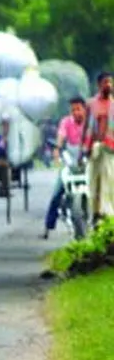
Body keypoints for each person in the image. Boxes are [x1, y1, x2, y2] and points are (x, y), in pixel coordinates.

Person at [43, 97, 87, 238]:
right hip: (71, 161)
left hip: (87, 160)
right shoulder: (66, 122)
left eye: (78, 109)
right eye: (73, 109)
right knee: (57, 193)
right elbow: (61, 137)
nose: (76, 112)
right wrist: (57, 150)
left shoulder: (90, 123)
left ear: (84, 109)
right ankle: (48, 225)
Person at [86, 72, 114, 223]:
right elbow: (87, 129)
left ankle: (108, 216)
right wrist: (84, 149)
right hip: (95, 150)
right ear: (99, 85)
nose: (108, 85)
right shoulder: (91, 104)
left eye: (110, 82)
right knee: (94, 184)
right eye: (105, 82)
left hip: (110, 151)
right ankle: (95, 214)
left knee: (109, 184)